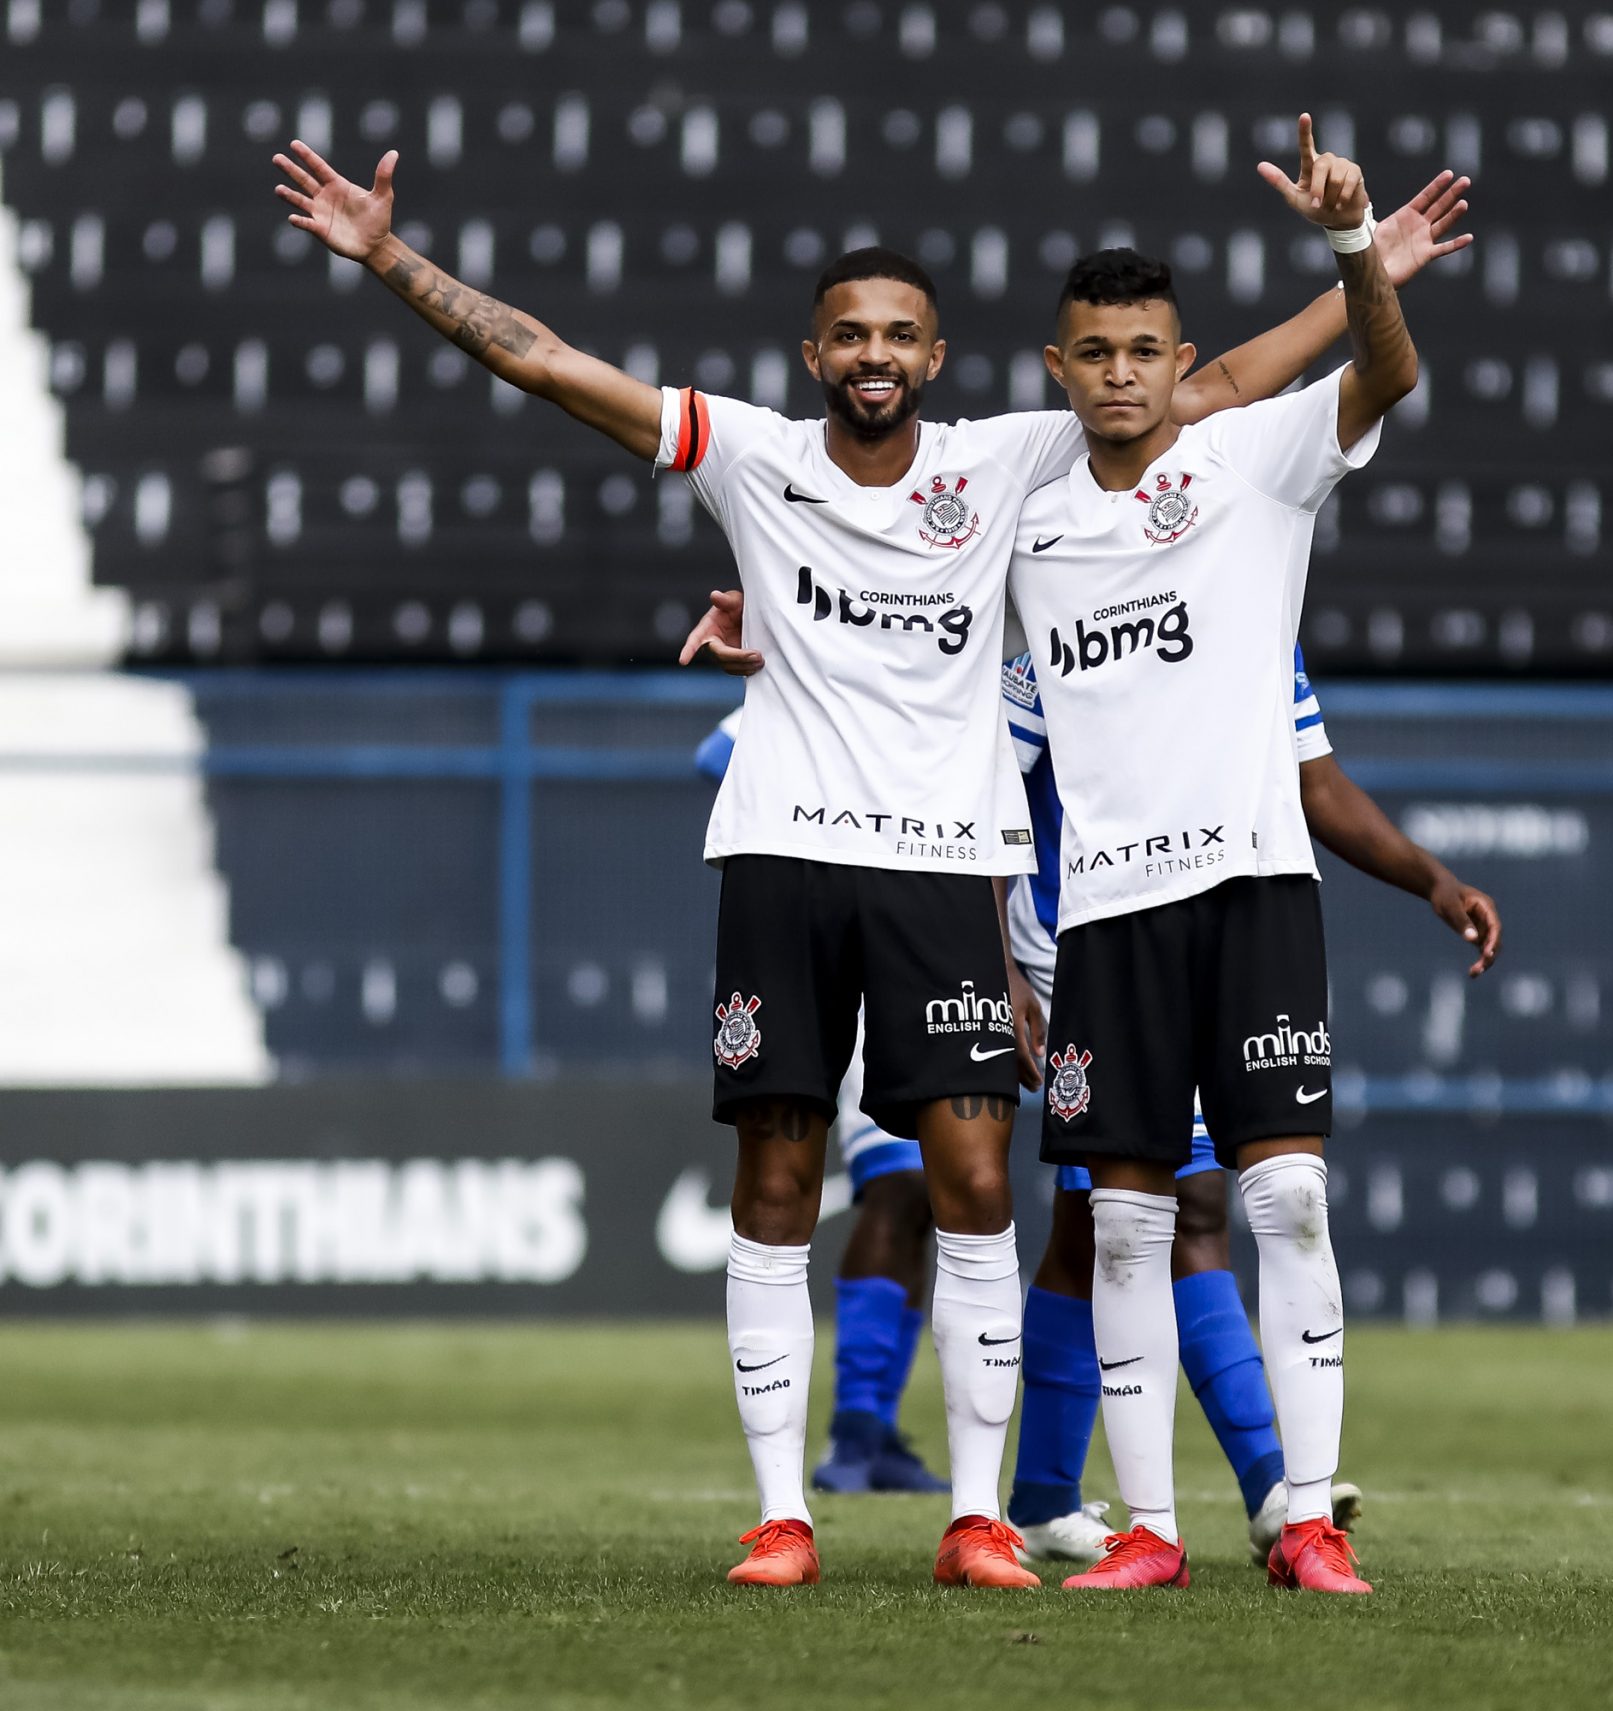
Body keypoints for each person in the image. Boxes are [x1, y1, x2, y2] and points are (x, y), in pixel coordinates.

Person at [269, 137, 1463, 1592]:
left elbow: (1198, 396)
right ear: (815, 353)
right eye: (851, 333)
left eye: (901, 333)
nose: (876, 354)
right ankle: (799, 1510)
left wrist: (1360, 271)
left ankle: (1003, 1514)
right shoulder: (757, 455)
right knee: (803, 1179)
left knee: (993, 1179)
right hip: (793, 856)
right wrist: (391, 260)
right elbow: (557, 368)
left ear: (941, 355)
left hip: (959, 873)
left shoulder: (1007, 459)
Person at [692, 645, 1502, 1564]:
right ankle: (1257, 1485)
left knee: (1110, 1213)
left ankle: (1051, 1490)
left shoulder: (1251, 602)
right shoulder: (1029, 610)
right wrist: (995, 955)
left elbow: (1313, 775)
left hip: (1166, 935)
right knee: (977, 1195)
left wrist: (1434, 879)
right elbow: (764, 753)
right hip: (1047, 944)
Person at [1004, 116, 1416, 1595]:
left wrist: (1356, 249)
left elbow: (1390, 370)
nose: (1121, 371)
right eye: (1094, 352)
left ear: (1186, 364)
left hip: (1253, 891)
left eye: (1146, 350)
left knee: (1284, 1197)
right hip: (1105, 918)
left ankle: (1306, 1513)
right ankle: (1156, 1533)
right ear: (1061, 371)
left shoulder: (1255, 461)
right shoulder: (1027, 528)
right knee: (1124, 1219)